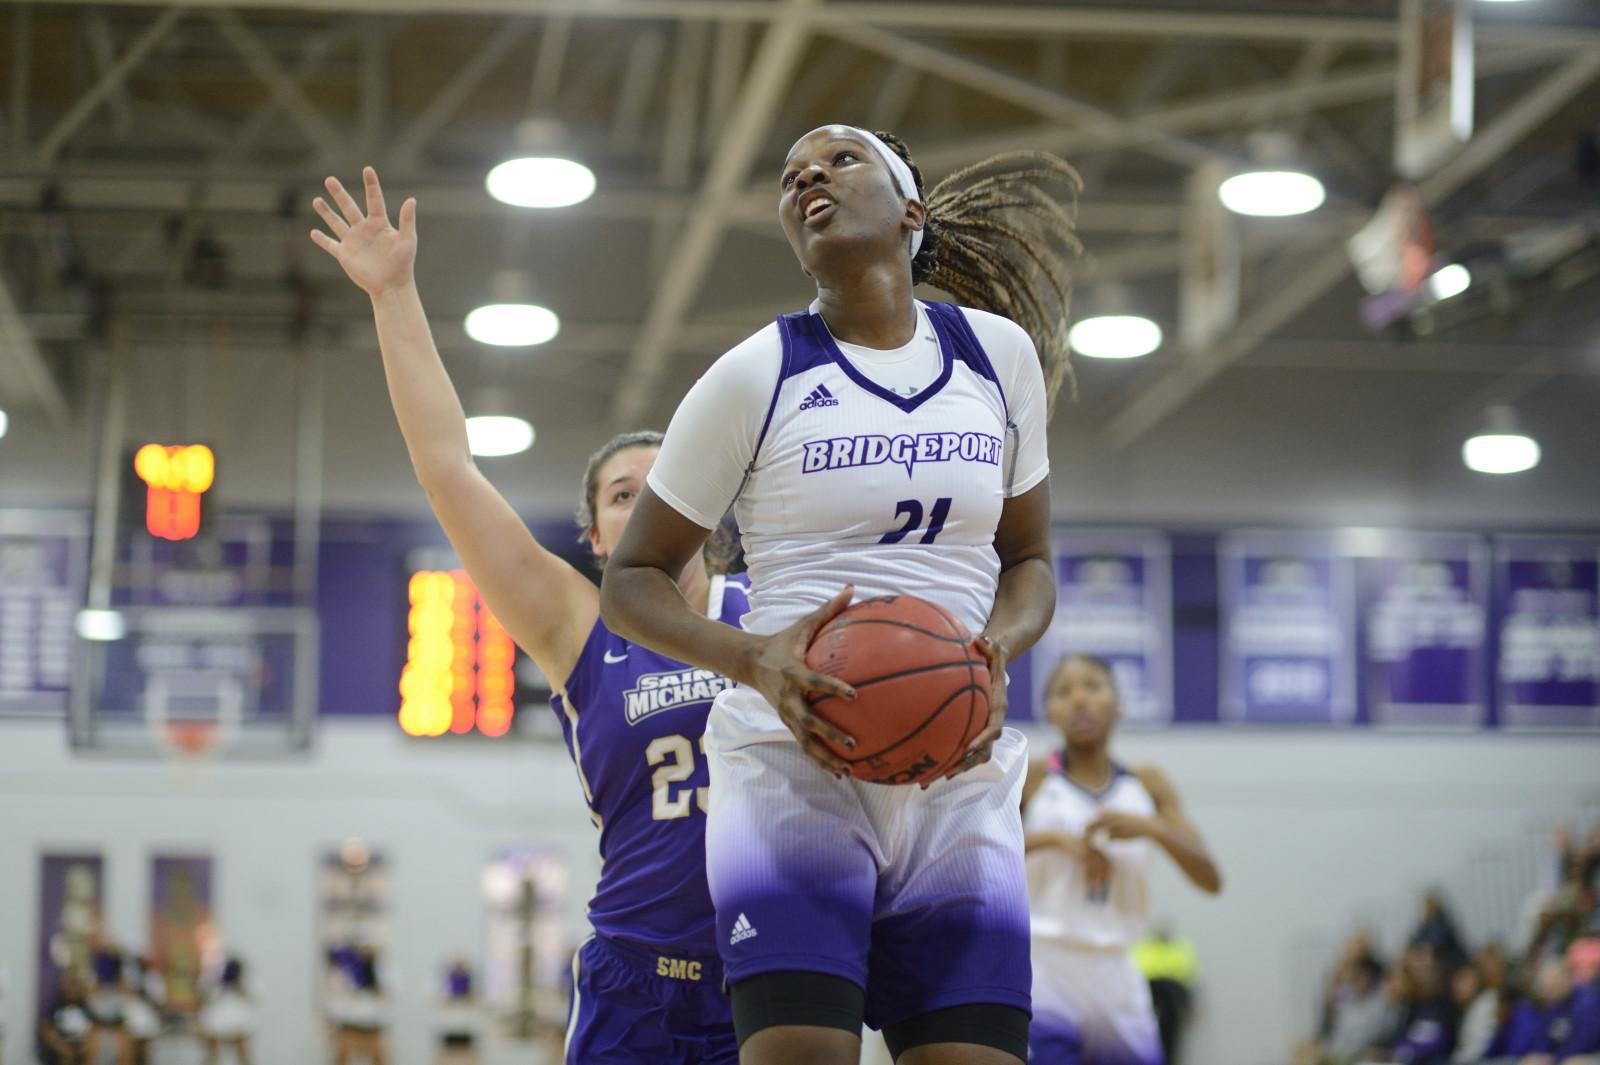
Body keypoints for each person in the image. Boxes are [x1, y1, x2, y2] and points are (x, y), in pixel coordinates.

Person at [602, 125, 1079, 1065]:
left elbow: (1031, 560)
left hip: (958, 770)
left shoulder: (997, 357)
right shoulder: (755, 374)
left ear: (910, 209)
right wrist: (751, 660)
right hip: (794, 759)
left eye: (839, 160)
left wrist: (994, 649)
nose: (809, 177)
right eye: (791, 177)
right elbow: (632, 577)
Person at [309, 166, 747, 1064]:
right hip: (633, 978)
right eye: (625, 493)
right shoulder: (578, 626)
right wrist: (393, 295)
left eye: (669, 485)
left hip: (771, 973)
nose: (650, 501)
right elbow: (448, 469)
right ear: (595, 533)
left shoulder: (771, 609)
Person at [1021, 654, 1222, 1064]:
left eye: (1092, 686)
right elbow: (983, 859)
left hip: (1118, 967)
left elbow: (1211, 879)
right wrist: (1055, 840)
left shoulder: (1146, 784)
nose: (1079, 698)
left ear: (1119, 703)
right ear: (1049, 712)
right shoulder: (1035, 777)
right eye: (1064, 690)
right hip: (1046, 967)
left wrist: (1154, 829)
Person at [198, 957, 254, 1065]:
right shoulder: (211, 978)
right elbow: (204, 998)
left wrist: (237, 985)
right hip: (216, 1021)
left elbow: (252, 997)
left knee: (242, 1053)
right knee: (213, 1054)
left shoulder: (245, 980)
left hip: (238, 1021)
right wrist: (221, 986)